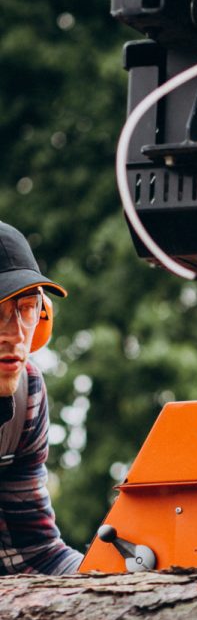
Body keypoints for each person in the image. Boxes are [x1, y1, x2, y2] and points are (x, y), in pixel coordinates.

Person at [0, 222, 82, 574]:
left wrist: (112, 577)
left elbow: (35, 551)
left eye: (28, 308)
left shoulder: (27, 391)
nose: (16, 334)